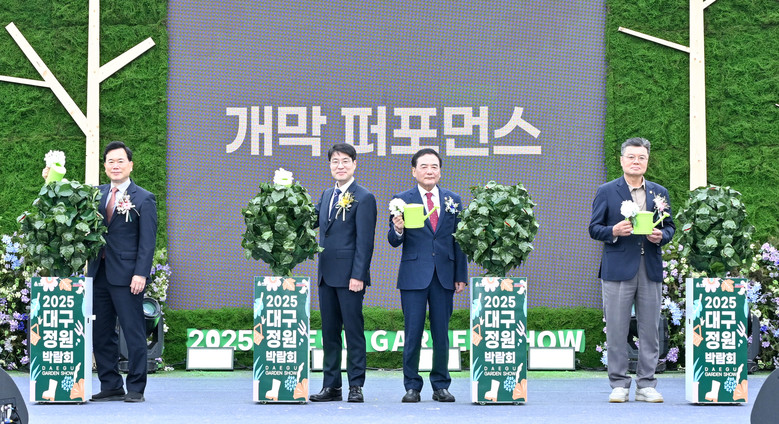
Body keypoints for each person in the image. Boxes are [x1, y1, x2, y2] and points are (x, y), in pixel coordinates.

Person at [588, 137, 675, 403]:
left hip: (649, 268)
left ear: (647, 161)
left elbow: (670, 227)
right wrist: (613, 231)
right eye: (631, 157)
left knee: (650, 330)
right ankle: (619, 384)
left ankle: (646, 384)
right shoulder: (607, 191)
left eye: (641, 157)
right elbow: (594, 228)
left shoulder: (659, 192)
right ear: (622, 160)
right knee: (616, 329)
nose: (636, 162)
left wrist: (661, 236)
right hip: (617, 269)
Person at [388, 148, 467, 403]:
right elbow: (393, 240)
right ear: (414, 171)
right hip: (414, 276)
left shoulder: (453, 200)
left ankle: (441, 385)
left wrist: (460, 275)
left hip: (444, 275)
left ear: (440, 171)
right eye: (424, 166)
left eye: (434, 166)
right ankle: (412, 386)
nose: (429, 171)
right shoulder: (401, 199)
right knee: (413, 332)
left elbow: (460, 240)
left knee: (441, 333)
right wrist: (398, 229)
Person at [87, 141, 158, 403]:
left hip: (128, 276)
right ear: (105, 166)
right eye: (110, 161)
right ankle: (111, 385)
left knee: (133, 331)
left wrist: (141, 274)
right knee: (101, 332)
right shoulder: (95, 195)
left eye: (120, 161)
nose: (115, 166)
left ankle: (136, 387)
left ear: (130, 165)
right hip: (99, 273)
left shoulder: (144, 198)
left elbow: (147, 241)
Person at [310, 143, 377, 403]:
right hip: (326, 275)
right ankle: (331, 386)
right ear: (330, 165)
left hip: (350, 277)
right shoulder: (327, 194)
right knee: (329, 333)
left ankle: (356, 386)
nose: (340, 166)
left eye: (345, 161)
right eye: (335, 161)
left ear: (354, 164)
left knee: (353, 332)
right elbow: (311, 221)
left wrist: (358, 275)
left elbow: (365, 242)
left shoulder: (364, 197)